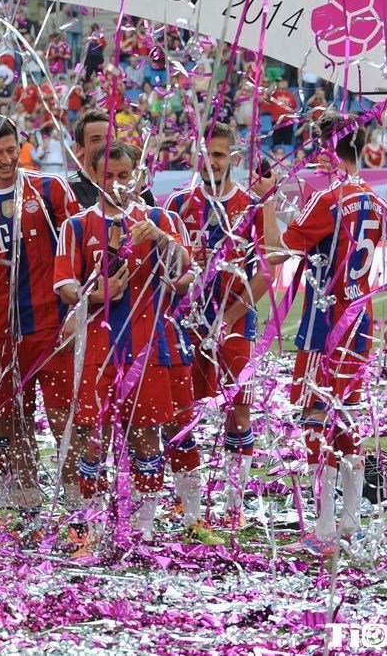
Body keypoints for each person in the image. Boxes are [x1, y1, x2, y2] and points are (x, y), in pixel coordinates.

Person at [54, 142, 193, 551]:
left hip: (146, 346)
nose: (115, 184)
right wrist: (94, 294)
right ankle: (93, 529)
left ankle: (142, 528)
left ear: (137, 176)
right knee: (92, 436)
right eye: (107, 177)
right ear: (94, 177)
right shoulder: (77, 225)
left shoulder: (161, 219)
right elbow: (64, 286)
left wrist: (163, 240)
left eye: (123, 176)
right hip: (97, 349)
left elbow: (187, 273)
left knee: (147, 435)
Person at [269, 113, 387, 558]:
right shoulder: (375, 200)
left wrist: (267, 203)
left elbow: (281, 249)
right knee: (349, 420)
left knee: (316, 421)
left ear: (327, 149)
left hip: (326, 325)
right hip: (360, 324)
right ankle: (351, 524)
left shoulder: (328, 198)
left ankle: (323, 530)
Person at [164, 122, 277, 533]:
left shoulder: (250, 204)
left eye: (219, 155)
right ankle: (186, 500)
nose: (211, 162)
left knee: (238, 410)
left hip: (235, 322)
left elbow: (269, 267)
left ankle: (233, 505)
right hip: (185, 323)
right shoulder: (178, 203)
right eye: (205, 154)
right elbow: (166, 269)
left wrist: (227, 318)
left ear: (234, 158)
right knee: (182, 411)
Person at [0, 117, 77, 521]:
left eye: (11, 150)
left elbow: (78, 249)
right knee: (11, 418)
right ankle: (25, 497)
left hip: (51, 325)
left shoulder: (50, 189)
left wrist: (76, 313)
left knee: (64, 415)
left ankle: (76, 498)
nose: (6, 159)